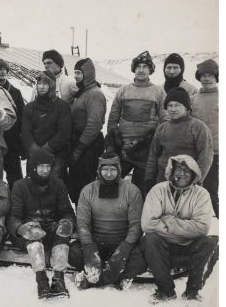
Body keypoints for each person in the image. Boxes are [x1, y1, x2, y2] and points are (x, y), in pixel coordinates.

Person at [141, 155, 217, 304]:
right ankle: (166, 291)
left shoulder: (202, 194)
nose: (182, 173)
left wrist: (169, 220)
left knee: (211, 242)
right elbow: (148, 224)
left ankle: (192, 292)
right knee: (150, 239)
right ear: (170, 171)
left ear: (194, 173)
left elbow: (202, 228)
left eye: (187, 170)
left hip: (189, 247)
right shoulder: (157, 190)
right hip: (163, 248)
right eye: (178, 169)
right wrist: (186, 226)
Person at [68, 153, 146, 290]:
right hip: (96, 242)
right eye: (105, 169)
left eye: (113, 169)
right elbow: (82, 223)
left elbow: (136, 225)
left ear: (119, 170)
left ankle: (96, 279)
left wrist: (124, 250)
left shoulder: (132, 191)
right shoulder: (88, 190)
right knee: (73, 252)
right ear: (99, 170)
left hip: (122, 242)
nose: (109, 174)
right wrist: (89, 249)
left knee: (141, 258)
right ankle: (117, 275)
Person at [8, 149, 76, 299]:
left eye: (48, 166)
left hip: (51, 228)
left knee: (62, 234)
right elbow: (13, 217)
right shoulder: (20, 186)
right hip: (28, 230)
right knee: (34, 238)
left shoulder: (58, 184)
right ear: (33, 167)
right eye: (41, 167)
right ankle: (41, 280)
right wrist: (21, 228)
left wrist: (67, 223)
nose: (45, 170)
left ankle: (59, 279)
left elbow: (67, 211)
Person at [106, 51, 167, 192]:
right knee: (113, 183)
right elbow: (113, 118)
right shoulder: (123, 91)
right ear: (134, 69)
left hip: (146, 151)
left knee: (141, 188)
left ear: (150, 70)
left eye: (145, 67)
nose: (141, 70)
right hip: (123, 150)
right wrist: (114, 142)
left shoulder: (158, 92)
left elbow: (164, 120)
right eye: (138, 66)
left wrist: (154, 142)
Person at [144, 87, 213, 194]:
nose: (173, 109)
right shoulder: (162, 128)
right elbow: (153, 156)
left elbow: (205, 157)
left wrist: (196, 181)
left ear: (187, 108)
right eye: (170, 105)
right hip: (163, 181)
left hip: (187, 182)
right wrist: (149, 179)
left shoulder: (198, 127)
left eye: (177, 105)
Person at [67, 58, 106, 206]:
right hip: (80, 142)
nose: (76, 76)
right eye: (75, 72)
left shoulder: (94, 94)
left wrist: (79, 149)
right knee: (76, 184)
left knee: (85, 184)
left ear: (88, 74)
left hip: (88, 145)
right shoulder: (83, 93)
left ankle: (86, 218)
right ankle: (81, 216)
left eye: (79, 73)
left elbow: (93, 124)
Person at [21, 70, 71, 180]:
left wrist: (46, 150)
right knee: (33, 188)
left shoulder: (62, 107)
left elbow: (64, 133)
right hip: (34, 155)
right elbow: (25, 132)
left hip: (56, 157)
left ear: (52, 85)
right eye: (39, 84)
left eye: (45, 84)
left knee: (53, 188)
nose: (41, 87)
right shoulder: (29, 108)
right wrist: (34, 150)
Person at [0, 58, 26, 189]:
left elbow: (22, 119)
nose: (3, 72)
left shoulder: (15, 92)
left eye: (5, 69)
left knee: (15, 178)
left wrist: (22, 145)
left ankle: (16, 206)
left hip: (12, 142)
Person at [191, 59, 219, 218]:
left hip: (216, 152)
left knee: (211, 188)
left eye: (210, 75)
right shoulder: (194, 99)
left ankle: (217, 224)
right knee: (194, 186)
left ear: (216, 77)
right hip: (196, 151)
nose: (206, 78)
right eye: (203, 75)